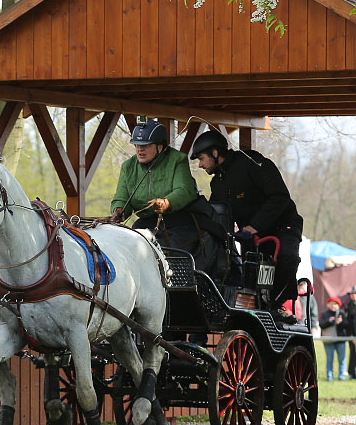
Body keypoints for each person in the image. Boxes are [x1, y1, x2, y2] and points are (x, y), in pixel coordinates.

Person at [191, 129, 303, 322]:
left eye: (201, 158)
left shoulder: (252, 163)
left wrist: (254, 226)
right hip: (251, 236)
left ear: (215, 153)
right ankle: (251, 310)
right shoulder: (217, 184)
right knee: (248, 271)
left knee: (287, 258)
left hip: (284, 225)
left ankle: (280, 306)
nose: (200, 165)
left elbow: (280, 196)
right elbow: (216, 217)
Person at [111, 119, 228, 281]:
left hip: (180, 221)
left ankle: (184, 281)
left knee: (171, 249)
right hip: (147, 224)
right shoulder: (128, 167)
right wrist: (119, 210)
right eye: (137, 145)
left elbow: (185, 190)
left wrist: (167, 202)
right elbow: (121, 197)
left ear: (160, 146)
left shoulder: (177, 160)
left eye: (145, 145)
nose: (140, 149)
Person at [320, 296, 347, 381]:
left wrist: (340, 322)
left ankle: (341, 376)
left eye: (335, 304)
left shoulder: (342, 313)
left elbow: (346, 325)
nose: (333, 305)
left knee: (342, 359)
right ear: (328, 304)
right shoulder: (325, 314)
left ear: (339, 305)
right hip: (329, 340)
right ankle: (329, 376)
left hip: (340, 339)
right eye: (331, 303)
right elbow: (321, 325)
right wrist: (329, 321)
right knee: (329, 359)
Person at [344, 286, 356, 379]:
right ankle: (352, 373)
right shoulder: (348, 306)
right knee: (353, 354)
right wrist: (351, 336)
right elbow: (348, 322)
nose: (353, 296)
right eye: (352, 294)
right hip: (352, 334)